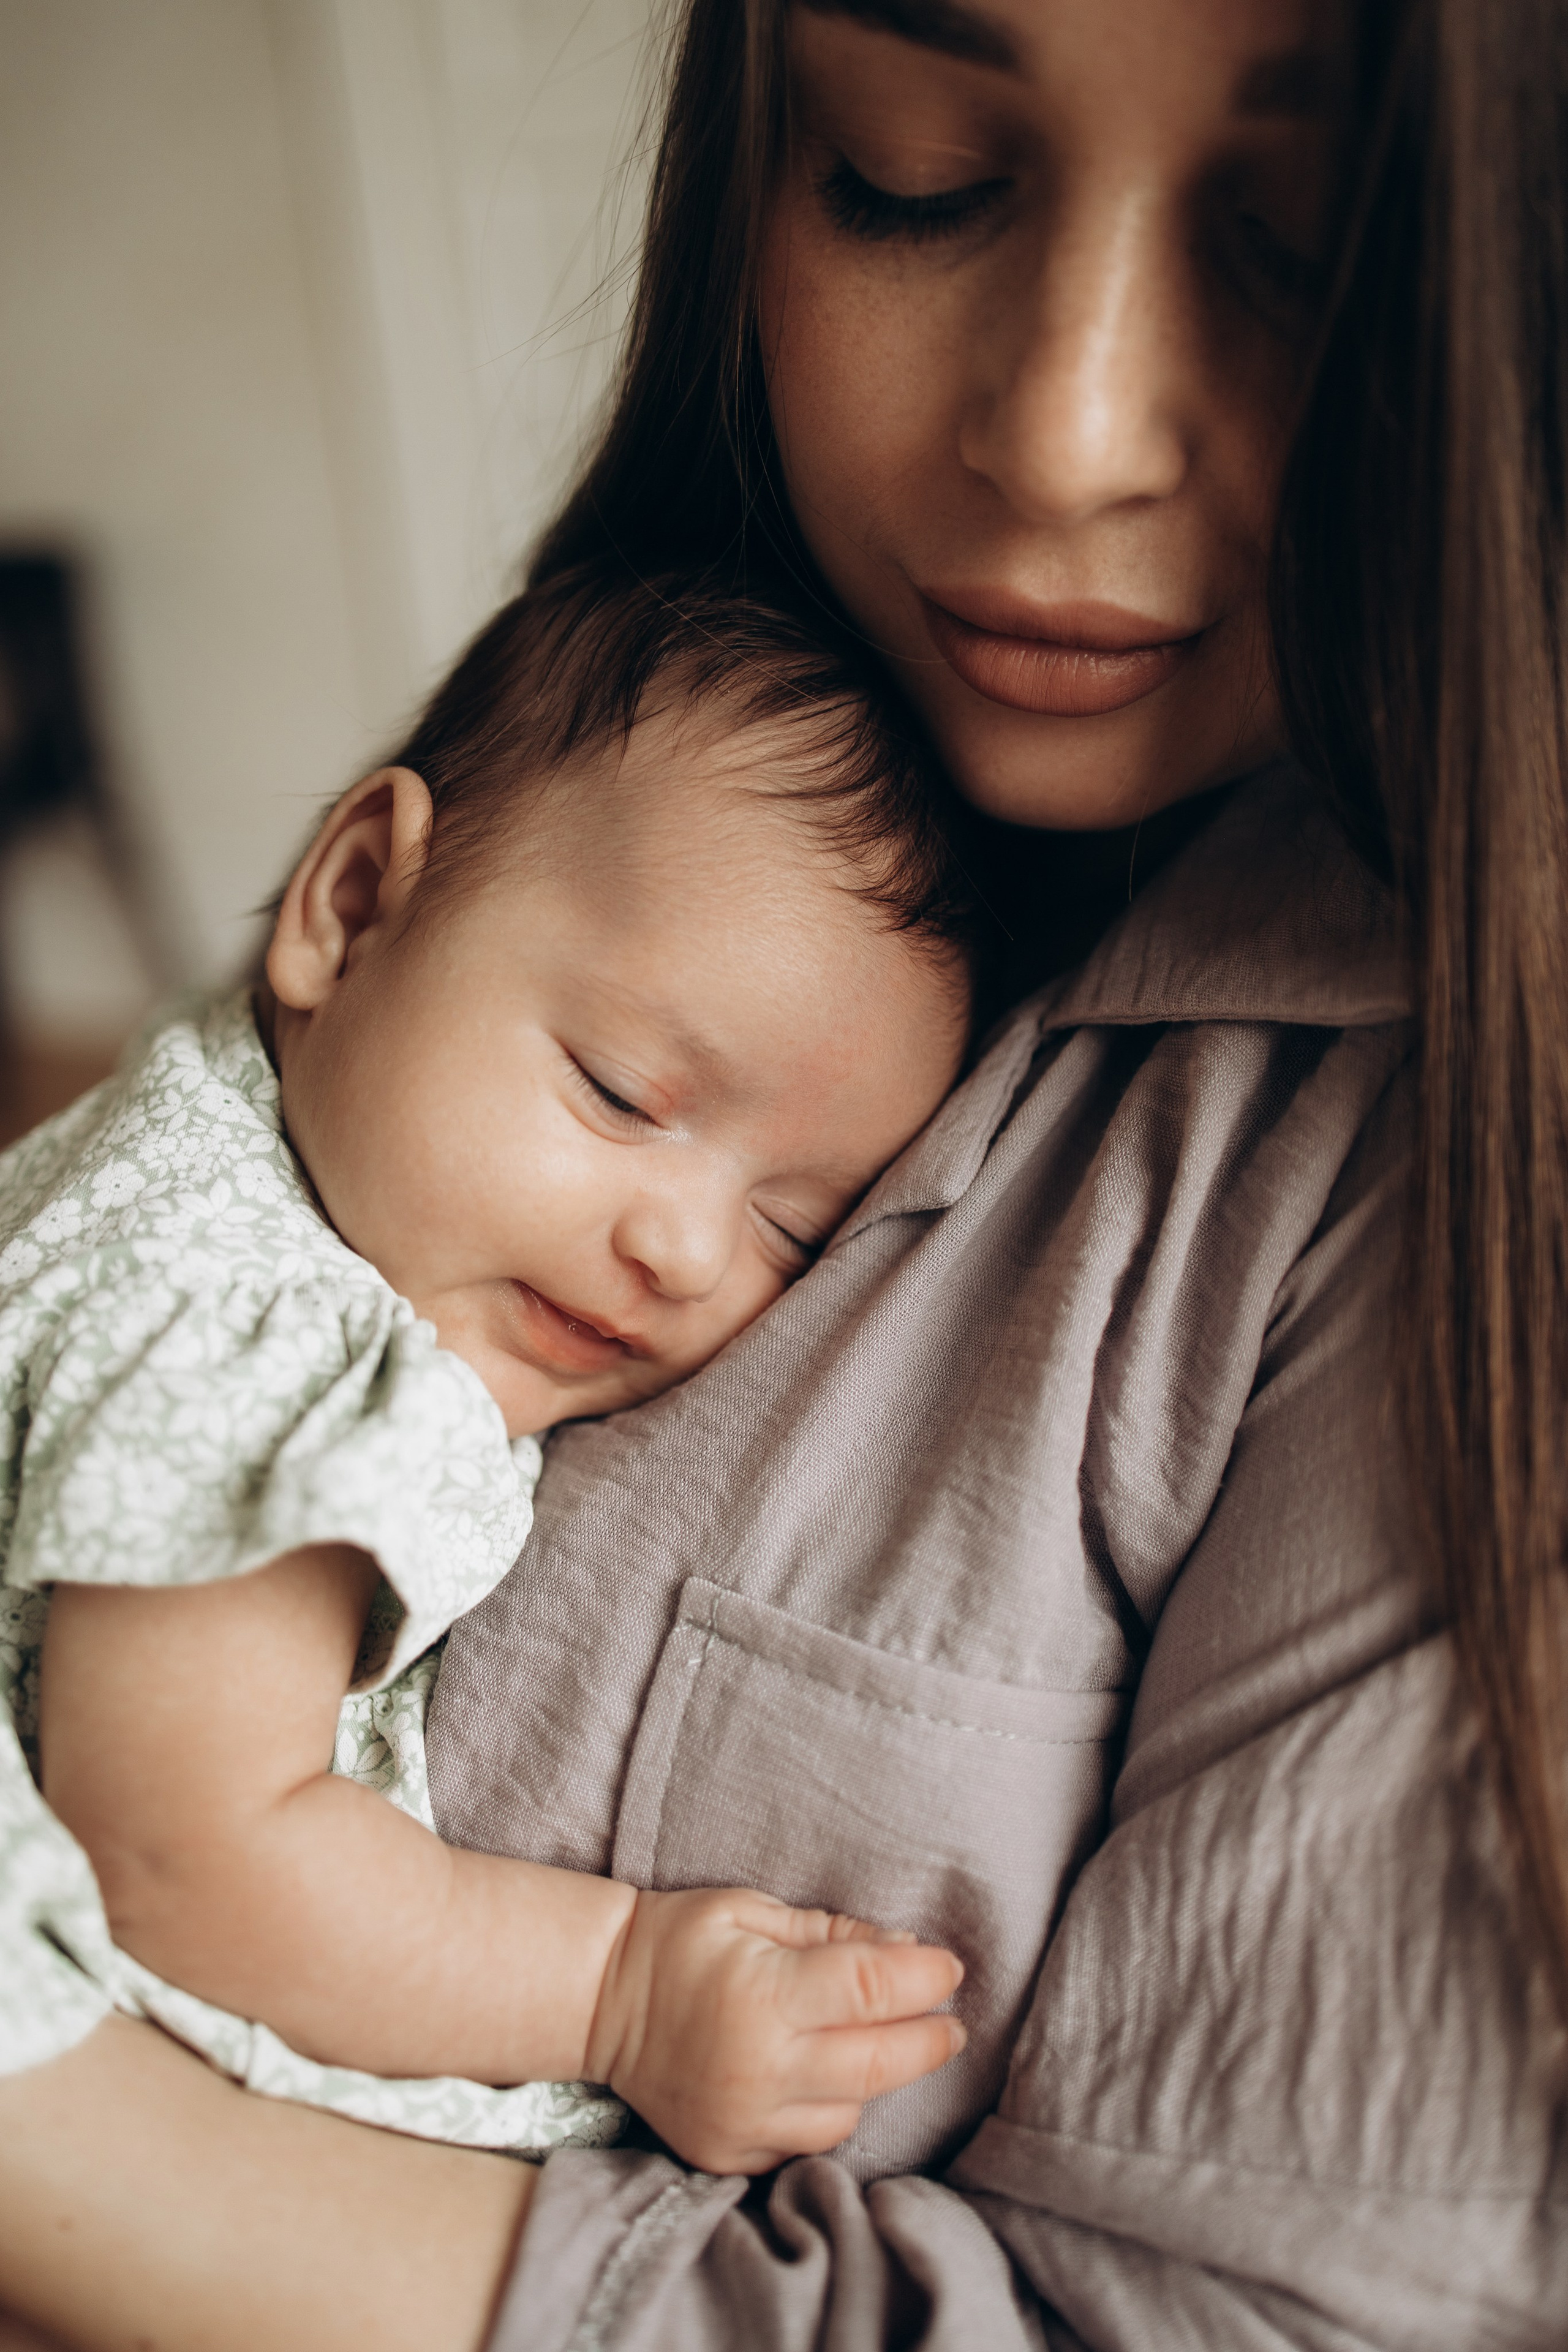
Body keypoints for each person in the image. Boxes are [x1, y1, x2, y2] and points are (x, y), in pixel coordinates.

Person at [1, 0, 1564, 2346]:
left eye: (1294, 241)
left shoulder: (1411, 1171)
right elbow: (179, 1818)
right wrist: (626, 1984)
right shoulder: (664, 790)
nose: (1065, 435)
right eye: (916, 172)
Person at [0, 570, 978, 2188]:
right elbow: (182, 1854)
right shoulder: (262, 1336)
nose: (680, 1249)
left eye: (791, 1230)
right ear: (358, 903)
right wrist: (616, 1990)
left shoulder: (221, 1129)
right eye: (617, 1091)